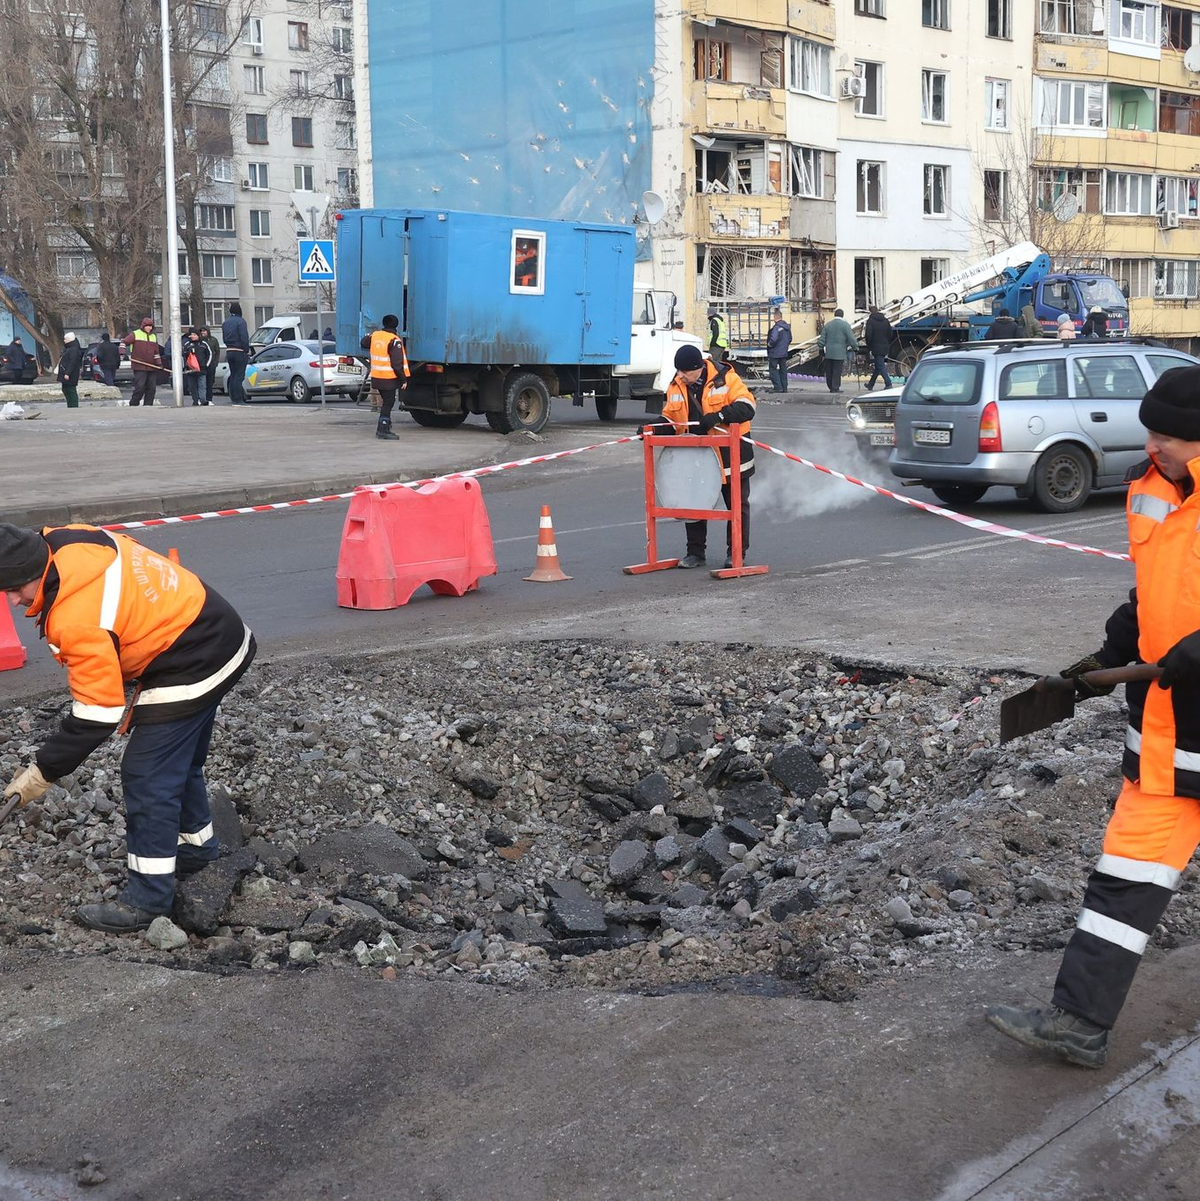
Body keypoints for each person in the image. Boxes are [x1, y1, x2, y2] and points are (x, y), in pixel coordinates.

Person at [985, 365, 1200, 1070]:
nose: (1153, 443)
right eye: (1152, 430)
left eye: (1167, 434)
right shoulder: (1151, 488)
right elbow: (1151, 596)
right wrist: (1099, 664)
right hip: (1170, 733)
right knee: (1126, 875)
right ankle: (1078, 1022)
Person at [1, 522, 255, 933]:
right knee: (179, 761)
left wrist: (42, 772)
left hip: (193, 657)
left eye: (18, 588)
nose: (13, 599)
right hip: (215, 626)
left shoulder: (76, 616)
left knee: (148, 772)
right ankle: (197, 850)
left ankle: (147, 901)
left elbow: (97, 714)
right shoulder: (72, 538)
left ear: (38, 568)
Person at [646, 344, 756, 570]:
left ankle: (736, 553)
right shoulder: (676, 385)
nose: (680, 376)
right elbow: (671, 420)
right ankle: (695, 552)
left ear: (698, 368)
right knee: (693, 500)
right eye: (678, 371)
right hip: (697, 456)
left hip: (730, 455)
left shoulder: (725, 379)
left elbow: (747, 406)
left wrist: (718, 416)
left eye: (685, 371)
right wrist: (652, 429)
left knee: (736, 503)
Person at [359, 313, 410, 440]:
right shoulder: (394, 340)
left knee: (387, 402)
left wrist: (370, 335)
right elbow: (397, 364)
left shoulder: (376, 335)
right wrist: (403, 379)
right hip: (388, 378)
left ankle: (384, 426)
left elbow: (364, 343)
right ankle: (383, 429)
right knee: (388, 403)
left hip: (376, 377)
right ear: (396, 326)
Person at [122, 317, 162, 407]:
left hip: (152, 366)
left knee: (151, 388)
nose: (149, 328)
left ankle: (148, 405)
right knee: (140, 387)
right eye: (147, 326)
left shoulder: (153, 337)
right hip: (139, 365)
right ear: (143, 326)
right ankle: (134, 404)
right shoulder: (135, 334)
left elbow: (156, 353)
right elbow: (123, 342)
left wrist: (159, 363)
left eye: (151, 326)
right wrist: (122, 353)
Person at [817, 308, 859, 394]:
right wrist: (855, 348)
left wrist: (821, 348)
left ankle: (830, 386)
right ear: (842, 315)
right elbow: (851, 338)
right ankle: (835, 387)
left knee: (829, 370)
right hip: (840, 352)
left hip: (829, 352)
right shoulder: (845, 325)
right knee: (837, 370)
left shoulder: (828, 325)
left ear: (834, 315)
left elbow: (822, 339)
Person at [221, 302, 251, 405]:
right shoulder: (241, 322)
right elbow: (244, 337)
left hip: (229, 351)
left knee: (233, 375)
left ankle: (233, 398)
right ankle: (238, 399)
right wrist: (246, 350)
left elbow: (224, 338)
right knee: (239, 376)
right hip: (239, 351)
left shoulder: (225, 323)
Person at [863, 306, 894, 391]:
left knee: (880, 365)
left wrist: (869, 345)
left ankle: (888, 383)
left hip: (876, 346)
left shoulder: (870, 321)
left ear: (870, 312)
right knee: (878, 366)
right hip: (885, 345)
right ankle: (871, 384)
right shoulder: (885, 320)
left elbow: (868, 335)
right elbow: (891, 334)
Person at [765, 307, 791, 394]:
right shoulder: (787, 328)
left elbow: (773, 339)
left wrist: (769, 345)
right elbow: (790, 339)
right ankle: (784, 387)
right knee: (783, 370)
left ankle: (777, 387)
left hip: (775, 352)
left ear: (775, 317)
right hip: (784, 352)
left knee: (773, 369)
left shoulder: (776, 328)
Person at [183, 328, 212, 406]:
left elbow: (210, 354)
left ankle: (203, 400)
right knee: (192, 387)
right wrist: (185, 366)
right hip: (190, 370)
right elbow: (183, 356)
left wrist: (206, 365)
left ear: (198, 335)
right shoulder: (187, 345)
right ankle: (195, 401)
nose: (192, 336)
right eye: (191, 335)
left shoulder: (204, 344)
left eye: (194, 335)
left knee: (202, 385)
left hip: (201, 369)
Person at [57, 332, 83, 409]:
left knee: (71, 390)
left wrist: (67, 373)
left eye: (65, 339)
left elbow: (72, 362)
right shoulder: (69, 348)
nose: (64, 341)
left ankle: (73, 406)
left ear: (70, 340)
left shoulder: (73, 349)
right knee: (65, 389)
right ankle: (70, 405)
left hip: (70, 374)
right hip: (66, 372)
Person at [200, 326, 220, 403]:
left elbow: (217, 351)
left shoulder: (213, 340)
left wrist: (215, 362)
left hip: (211, 364)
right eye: (202, 331)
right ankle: (202, 398)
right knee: (202, 382)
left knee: (210, 382)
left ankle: (209, 399)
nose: (203, 333)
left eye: (204, 331)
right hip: (202, 364)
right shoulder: (200, 340)